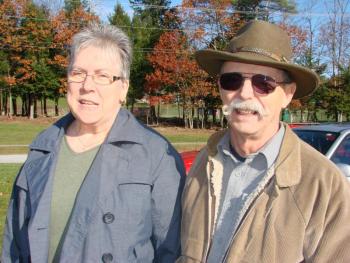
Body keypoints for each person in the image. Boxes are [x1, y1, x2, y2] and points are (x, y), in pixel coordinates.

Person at [2, 23, 185, 263]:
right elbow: (13, 244)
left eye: (102, 76)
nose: (87, 86)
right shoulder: (42, 147)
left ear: (123, 88)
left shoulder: (157, 156)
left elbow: (170, 252)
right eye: (78, 73)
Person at [178, 20, 350, 262]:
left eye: (263, 83)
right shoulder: (203, 164)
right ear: (220, 87)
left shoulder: (324, 185)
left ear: (288, 94)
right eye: (232, 80)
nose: (245, 93)